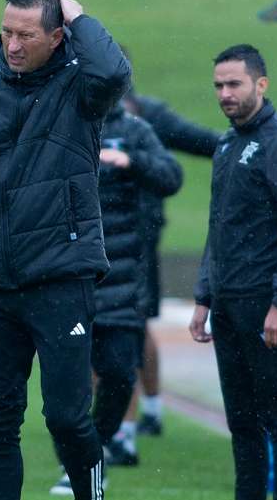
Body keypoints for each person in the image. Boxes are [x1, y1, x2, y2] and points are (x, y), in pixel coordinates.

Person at [0, 0, 130, 500]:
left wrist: (79, 14)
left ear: (58, 37)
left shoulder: (82, 90)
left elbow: (114, 71)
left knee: (66, 418)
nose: (13, 46)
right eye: (6, 32)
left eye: (26, 36)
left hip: (61, 278)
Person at [189, 44, 277, 500]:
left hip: (266, 306)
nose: (225, 94)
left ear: (261, 84)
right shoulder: (227, 142)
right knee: (241, 422)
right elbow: (218, 225)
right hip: (226, 304)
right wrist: (203, 296)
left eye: (234, 84)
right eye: (219, 86)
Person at [50, 101, 182, 493]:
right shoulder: (59, 124)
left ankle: (98, 446)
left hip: (124, 284)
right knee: (68, 386)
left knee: (120, 375)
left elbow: (171, 176)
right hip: (68, 281)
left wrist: (131, 160)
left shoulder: (137, 131)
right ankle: (78, 463)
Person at [120, 48, 221, 439]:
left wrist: (244, 147)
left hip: (139, 234)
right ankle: (145, 411)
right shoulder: (84, 110)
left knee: (128, 323)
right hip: (109, 233)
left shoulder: (147, 117)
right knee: (130, 322)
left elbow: (201, 141)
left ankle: (136, 419)